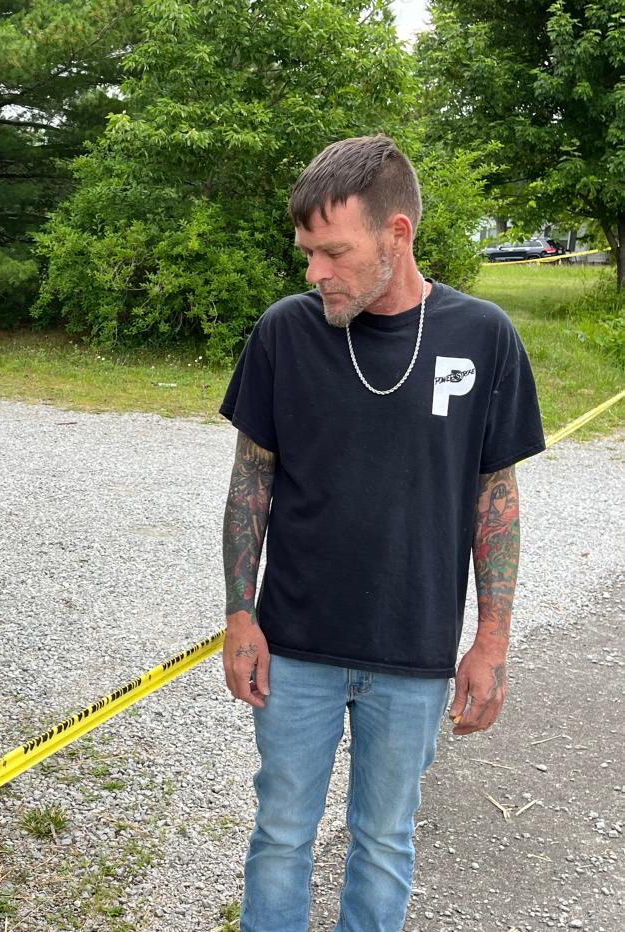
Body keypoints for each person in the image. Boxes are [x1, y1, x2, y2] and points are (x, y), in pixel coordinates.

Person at [218, 134, 545, 932]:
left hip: (413, 653)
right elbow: (250, 481)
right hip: (294, 648)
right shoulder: (285, 334)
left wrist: (491, 642)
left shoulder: (483, 336)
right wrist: (239, 614)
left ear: (397, 235)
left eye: (333, 251)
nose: (313, 272)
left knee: (385, 841)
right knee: (282, 835)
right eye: (306, 252)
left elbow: (493, 500)